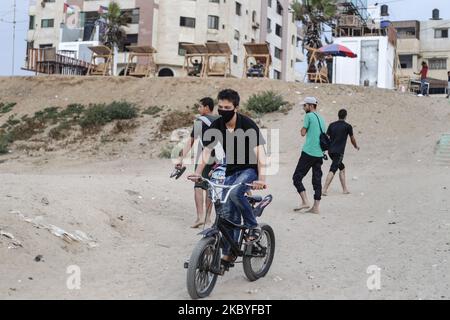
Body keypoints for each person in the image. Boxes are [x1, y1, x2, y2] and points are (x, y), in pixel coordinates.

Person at [188, 89, 267, 265]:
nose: (223, 110)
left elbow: (260, 153)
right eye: (221, 107)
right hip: (230, 170)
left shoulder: (247, 124)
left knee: (234, 194)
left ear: (236, 108)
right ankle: (229, 251)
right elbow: (206, 151)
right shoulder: (217, 126)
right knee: (225, 210)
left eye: (227, 107)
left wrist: (262, 178)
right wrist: (198, 172)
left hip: (249, 170)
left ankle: (253, 226)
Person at [176, 97, 219, 228]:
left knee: (198, 185)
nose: (198, 109)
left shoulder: (200, 121)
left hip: (204, 155)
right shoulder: (220, 120)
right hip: (218, 156)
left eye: (200, 107)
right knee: (210, 186)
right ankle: (207, 218)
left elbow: (191, 141)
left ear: (207, 107)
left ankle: (200, 217)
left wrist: (181, 159)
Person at [292, 97, 326, 214]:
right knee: (317, 180)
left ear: (311, 106)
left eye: (305, 105)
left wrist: (303, 128)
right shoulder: (321, 118)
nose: (304, 107)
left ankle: (305, 201)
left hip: (308, 152)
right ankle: (316, 207)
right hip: (319, 154)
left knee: (297, 177)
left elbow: (302, 133)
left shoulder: (308, 116)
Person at [322, 109, 360, 196]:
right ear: (345, 116)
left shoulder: (332, 125)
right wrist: (356, 146)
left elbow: (326, 138)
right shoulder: (348, 126)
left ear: (338, 115)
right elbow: (352, 139)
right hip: (339, 152)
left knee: (342, 168)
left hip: (330, 151)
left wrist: (325, 148)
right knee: (333, 169)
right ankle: (324, 189)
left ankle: (344, 189)